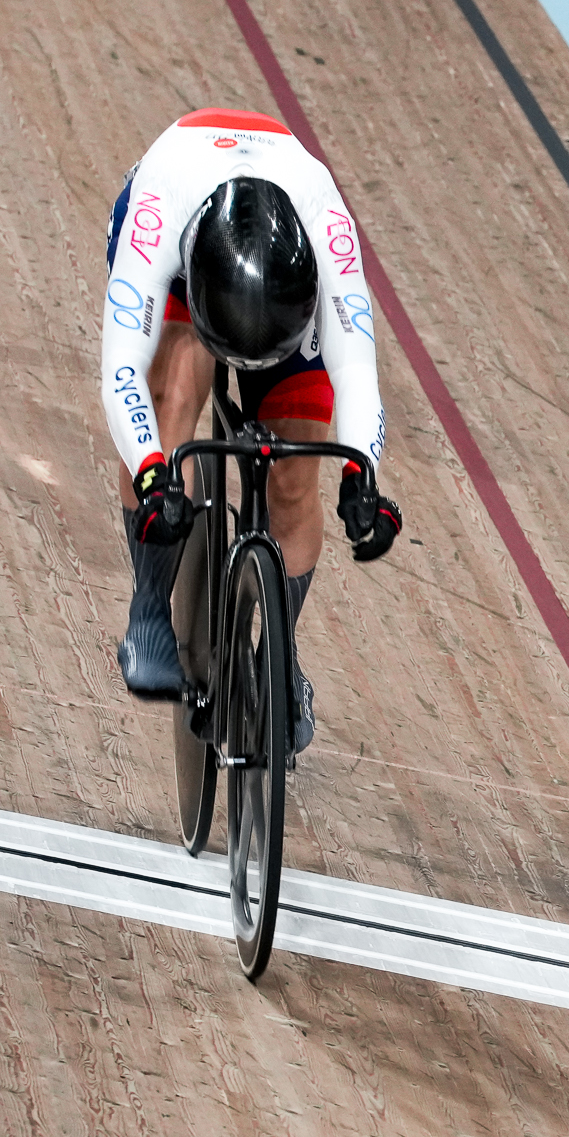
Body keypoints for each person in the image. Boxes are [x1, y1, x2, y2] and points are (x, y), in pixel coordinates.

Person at [101, 108, 401, 753]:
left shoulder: (326, 226)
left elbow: (357, 373)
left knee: (296, 478)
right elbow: (119, 371)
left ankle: (280, 655)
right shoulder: (159, 210)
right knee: (172, 395)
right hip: (186, 264)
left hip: (283, 274)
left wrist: (362, 476)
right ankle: (150, 610)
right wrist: (154, 474)